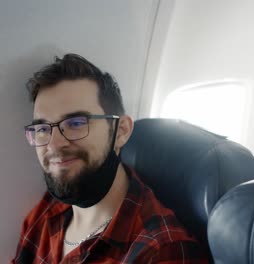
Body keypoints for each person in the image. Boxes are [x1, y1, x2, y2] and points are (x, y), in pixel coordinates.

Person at [12, 54, 209, 263]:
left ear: (121, 131)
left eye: (76, 123)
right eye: (42, 128)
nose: (54, 144)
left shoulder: (161, 251)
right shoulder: (46, 213)